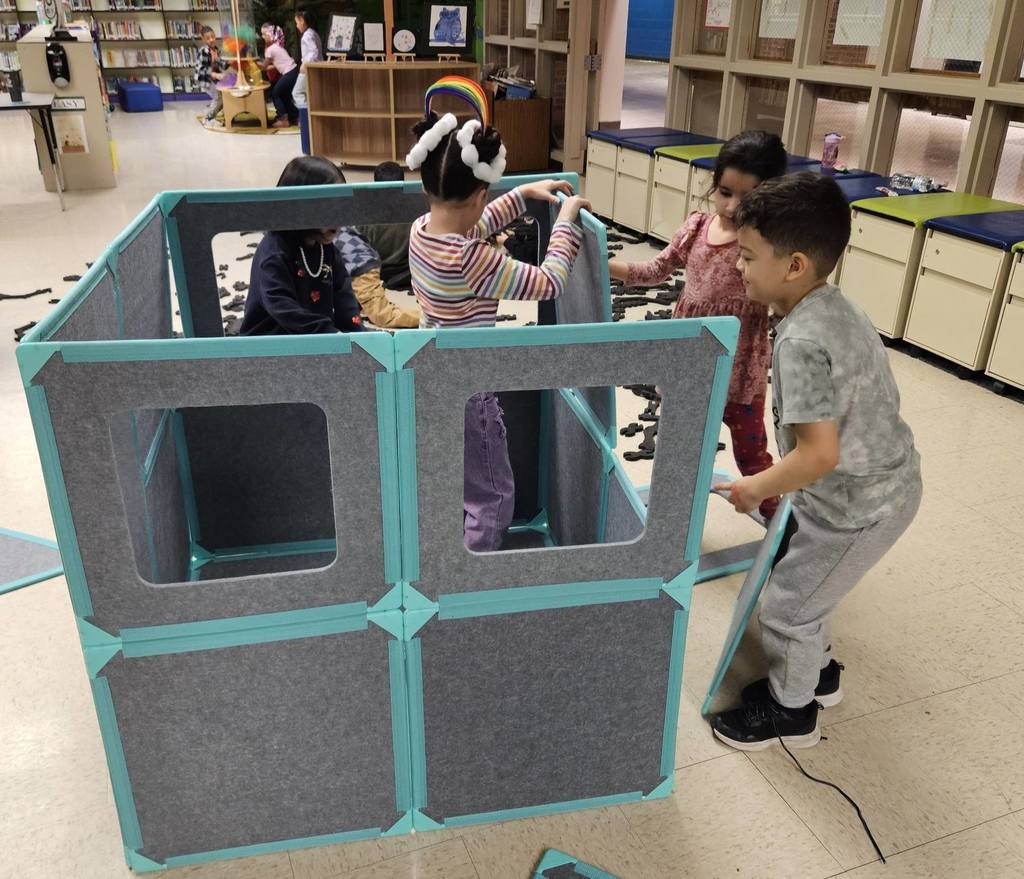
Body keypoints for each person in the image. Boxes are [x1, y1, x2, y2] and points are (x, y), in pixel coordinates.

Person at [709, 172, 922, 751]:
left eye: (748, 256)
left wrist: (755, 487)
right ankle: (818, 674)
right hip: (876, 487)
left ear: (794, 265)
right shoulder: (833, 306)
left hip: (858, 507)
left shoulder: (801, 341)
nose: (738, 266)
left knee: (788, 609)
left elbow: (819, 453)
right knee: (812, 588)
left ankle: (792, 712)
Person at [406, 107, 590, 552]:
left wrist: (521, 195)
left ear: (428, 185)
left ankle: (457, 556)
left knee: (459, 481)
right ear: (480, 194)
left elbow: (471, 224)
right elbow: (549, 282)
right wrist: (565, 223)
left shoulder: (422, 231)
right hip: (471, 394)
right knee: (492, 496)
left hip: (431, 380)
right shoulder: (472, 260)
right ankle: (475, 574)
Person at [609, 130, 788, 522]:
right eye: (725, 192)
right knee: (679, 448)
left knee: (752, 456)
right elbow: (655, 270)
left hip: (740, 372)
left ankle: (781, 524)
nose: (732, 206)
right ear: (714, 185)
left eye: (748, 197)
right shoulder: (696, 227)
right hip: (689, 365)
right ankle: (671, 522)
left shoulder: (766, 244)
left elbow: (783, 302)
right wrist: (606, 266)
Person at [241, 156, 364, 335]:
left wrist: (358, 336)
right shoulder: (275, 253)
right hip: (270, 342)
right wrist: (330, 334)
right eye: (328, 209)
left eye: (341, 207)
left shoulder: (327, 249)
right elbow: (283, 309)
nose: (338, 219)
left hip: (315, 337)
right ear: (299, 208)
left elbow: (344, 297)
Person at [334, 162, 421, 328]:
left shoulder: (364, 214)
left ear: (375, 185)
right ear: (403, 184)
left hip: (375, 270)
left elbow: (358, 253)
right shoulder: (415, 210)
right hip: (405, 271)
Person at [257, 22, 299, 128]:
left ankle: (283, 119)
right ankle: (294, 117)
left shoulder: (270, 50)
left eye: (264, 34)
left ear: (270, 34)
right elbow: (273, 66)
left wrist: (253, 61)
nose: (262, 37)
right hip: (294, 71)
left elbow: (263, 67)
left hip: (289, 73)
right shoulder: (277, 46)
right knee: (285, 95)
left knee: (275, 93)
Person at [195, 26, 228, 129]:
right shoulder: (203, 51)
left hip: (213, 78)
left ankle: (213, 114)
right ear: (203, 39)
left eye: (213, 37)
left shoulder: (216, 50)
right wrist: (215, 75)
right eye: (208, 38)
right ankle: (207, 118)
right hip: (204, 78)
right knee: (217, 96)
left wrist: (231, 61)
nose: (211, 39)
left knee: (223, 96)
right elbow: (201, 69)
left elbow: (222, 64)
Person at [290, 10, 322, 109]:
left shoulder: (307, 35)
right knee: (308, 93)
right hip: (314, 68)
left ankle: (305, 115)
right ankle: (308, 114)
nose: (296, 26)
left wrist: (305, 64)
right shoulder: (313, 33)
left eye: (297, 23)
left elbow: (314, 51)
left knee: (297, 93)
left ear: (302, 21)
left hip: (308, 69)